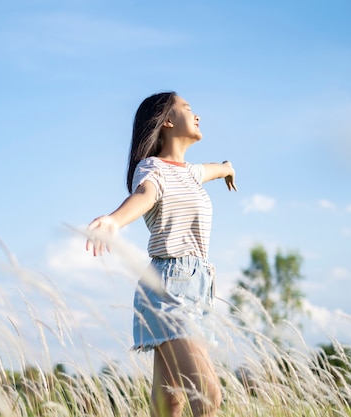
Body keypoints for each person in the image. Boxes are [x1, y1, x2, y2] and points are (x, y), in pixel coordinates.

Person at [85, 91, 237, 417]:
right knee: (208, 393)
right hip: (169, 284)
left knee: (169, 403)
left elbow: (212, 169)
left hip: (198, 287)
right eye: (188, 108)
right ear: (168, 121)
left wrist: (227, 168)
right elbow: (144, 195)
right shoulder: (152, 168)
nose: (197, 115)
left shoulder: (190, 172)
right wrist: (114, 219)